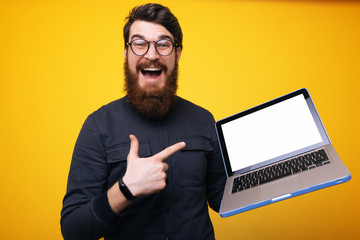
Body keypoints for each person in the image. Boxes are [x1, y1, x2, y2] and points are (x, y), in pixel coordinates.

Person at [61, 3, 226, 240]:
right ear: (126, 53)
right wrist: (126, 189)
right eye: (139, 44)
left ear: (177, 53)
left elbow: (222, 199)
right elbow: (73, 230)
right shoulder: (98, 126)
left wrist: (269, 174)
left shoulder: (203, 119)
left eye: (163, 44)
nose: (151, 54)